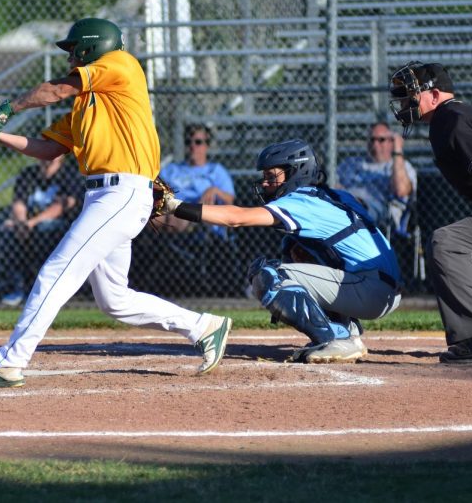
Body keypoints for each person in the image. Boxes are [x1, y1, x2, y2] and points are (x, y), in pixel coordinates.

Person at [0, 17, 230, 388]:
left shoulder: (121, 63)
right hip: (103, 196)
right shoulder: (87, 105)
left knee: (56, 270)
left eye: (74, 51)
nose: (70, 59)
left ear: (91, 47)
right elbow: (48, 149)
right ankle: (203, 326)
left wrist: (7, 107)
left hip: (122, 192)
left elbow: (54, 91)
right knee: (114, 300)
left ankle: (9, 363)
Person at [161, 138, 402, 363]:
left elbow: (236, 218)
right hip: (383, 285)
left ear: (295, 172)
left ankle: (337, 339)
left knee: (267, 275)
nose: (265, 183)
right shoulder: (334, 195)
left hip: (370, 288)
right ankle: (344, 329)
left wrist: (176, 206)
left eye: (271, 176)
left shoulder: (302, 201)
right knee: (295, 248)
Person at [389, 61, 472, 363]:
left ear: (435, 94)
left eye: (411, 95)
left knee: (448, 243)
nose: (404, 103)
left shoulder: (452, 119)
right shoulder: (453, 118)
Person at [0, 154, 82, 306]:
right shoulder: (28, 174)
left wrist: (31, 223)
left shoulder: (69, 174)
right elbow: (19, 203)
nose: (49, 155)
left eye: (54, 149)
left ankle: (46, 290)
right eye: (45, 147)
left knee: (44, 229)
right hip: (27, 226)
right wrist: (21, 223)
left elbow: (62, 206)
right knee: (7, 232)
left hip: (57, 226)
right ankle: (18, 288)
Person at [336, 121, 417, 236]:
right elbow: (333, 185)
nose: (375, 144)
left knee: (356, 203)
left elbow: (401, 191)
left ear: (391, 142)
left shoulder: (400, 166)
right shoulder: (351, 163)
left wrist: (398, 150)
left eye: (381, 140)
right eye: (372, 139)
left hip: (380, 213)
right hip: (344, 204)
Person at [157, 123, 235, 234]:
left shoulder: (215, 170)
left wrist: (214, 190)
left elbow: (230, 199)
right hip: (170, 212)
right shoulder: (172, 169)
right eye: (188, 142)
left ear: (206, 145)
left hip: (197, 216)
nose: (193, 146)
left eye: (198, 142)